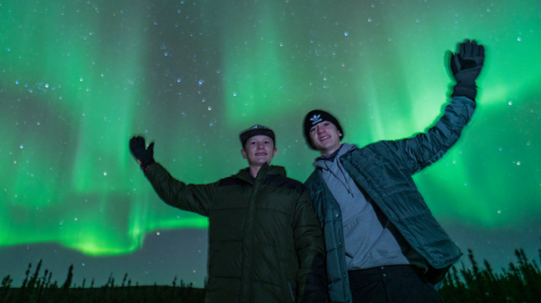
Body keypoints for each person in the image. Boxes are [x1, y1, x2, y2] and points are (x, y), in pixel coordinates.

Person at [302, 40, 485, 303]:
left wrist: (464, 87)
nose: (320, 129)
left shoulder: (381, 155)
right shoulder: (311, 189)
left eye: (326, 124)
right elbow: (310, 247)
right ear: (312, 141)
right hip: (357, 285)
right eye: (313, 129)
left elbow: (436, 140)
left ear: (339, 131)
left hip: (406, 275)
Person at [129, 124, 328, 303]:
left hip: (276, 295)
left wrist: (312, 293)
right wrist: (148, 164)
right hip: (226, 295)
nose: (260, 147)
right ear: (244, 152)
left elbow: (309, 244)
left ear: (274, 151)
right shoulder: (223, 190)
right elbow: (177, 193)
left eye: (266, 142)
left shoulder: (294, 191)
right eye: (253, 143)